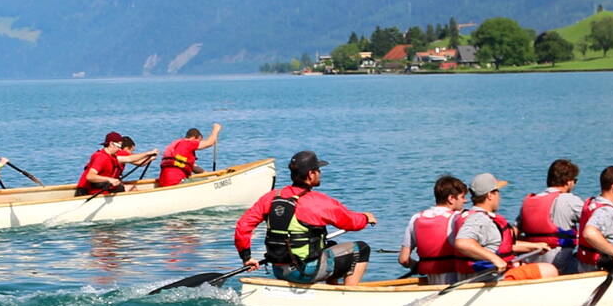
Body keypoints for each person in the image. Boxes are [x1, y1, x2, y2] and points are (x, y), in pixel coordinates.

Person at [235, 151, 376, 285]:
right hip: (305, 272)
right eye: (318, 170)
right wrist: (365, 217)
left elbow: (243, 226)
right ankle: (348, 295)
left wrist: (246, 258)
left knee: (331, 245)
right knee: (361, 249)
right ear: (311, 174)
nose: (320, 173)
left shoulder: (271, 197)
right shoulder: (319, 202)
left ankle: (331, 288)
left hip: (278, 270)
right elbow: (351, 223)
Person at [453, 173, 559, 281]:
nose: (499, 196)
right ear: (490, 195)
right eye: (497, 192)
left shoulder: (478, 216)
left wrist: (534, 246)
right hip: (489, 277)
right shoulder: (479, 219)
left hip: (494, 274)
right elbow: (463, 243)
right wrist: (494, 259)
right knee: (549, 270)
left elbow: (501, 245)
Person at [399, 174, 472, 284]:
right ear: (451, 199)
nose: (465, 201)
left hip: (431, 279)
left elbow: (403, 259)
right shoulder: (457, 218)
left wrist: (418, 266)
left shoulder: (416, 218)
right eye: (462, 197)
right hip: (456, 281)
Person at [517, 159, 583, 273]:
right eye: (575, 181)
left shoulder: (529, 201)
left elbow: (514, 232)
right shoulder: (570, 200)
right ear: (568, 182)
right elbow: (595, 221)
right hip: (559, 263)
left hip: (531, 261)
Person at [76, 132, 156, 196]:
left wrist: (149, 155)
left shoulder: (113, 157)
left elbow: (130, 159)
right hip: (89, 191)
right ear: (111, 144)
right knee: (131, 188)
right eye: (118, 146)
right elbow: (90, 176)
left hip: (101, 188)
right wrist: (110, 179)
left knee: (130, 188)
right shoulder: (101, 157)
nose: (119, 150)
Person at [156, 123, 222, 188]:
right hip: (177, 182)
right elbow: (209, 143)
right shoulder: (188, 143)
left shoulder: (175, 145)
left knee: (207, 178)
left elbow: (194, 168)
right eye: (198, 141)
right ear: (194, 138)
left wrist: (210, 175)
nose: (197, 144)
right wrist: (216, 129)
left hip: (163, 183)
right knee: (207, 182)